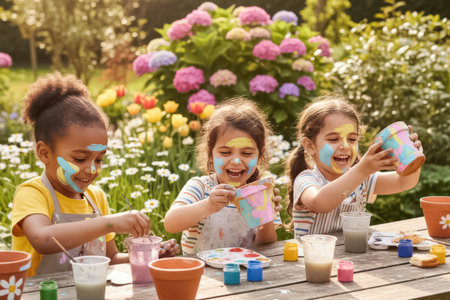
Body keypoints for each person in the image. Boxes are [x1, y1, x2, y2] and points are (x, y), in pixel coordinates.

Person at [11, 72, 179, 277]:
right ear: (44, 153)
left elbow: (111, 259)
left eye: (99, 159)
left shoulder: (96, 198)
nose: (92, 170)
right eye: (80, 159)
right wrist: (110, 222)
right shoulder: (33, 193)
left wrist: (150, 257)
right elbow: (43, 240)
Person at [285, 94, 423, 238]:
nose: (345, 146)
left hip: (355, 257)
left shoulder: (362, 179)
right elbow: (320, 202)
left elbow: (404, 182)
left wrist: (413, 159)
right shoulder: (306, 180)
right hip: (315, 258)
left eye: (352, 139)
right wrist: (362, 169)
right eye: (333, 139)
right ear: (310, 146)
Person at [164, 97, 283, 254]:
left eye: (246, 153)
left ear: (259, 156)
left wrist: (265, 217)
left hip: (246, 273)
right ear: (210, 155)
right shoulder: (201, 187)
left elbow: (266, 244)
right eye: (225, 152)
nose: (235, 161)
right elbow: (171, 224)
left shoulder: (259, 193)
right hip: (203, 274)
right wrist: (208, 205)